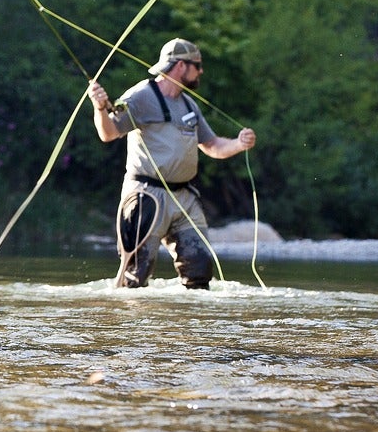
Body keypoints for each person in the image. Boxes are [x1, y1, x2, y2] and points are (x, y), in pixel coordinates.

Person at [86, 38, 256, 289]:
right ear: (180, 66)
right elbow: (108, 133)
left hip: (184, 198)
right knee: (135, 277)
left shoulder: (189, 105)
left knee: (200, 273)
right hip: (146, 197)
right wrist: (99, 108)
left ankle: (186, 327)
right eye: (196, 65)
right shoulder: (141, 96)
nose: (201, 71)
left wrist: (239, 144)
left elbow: (212, 146)